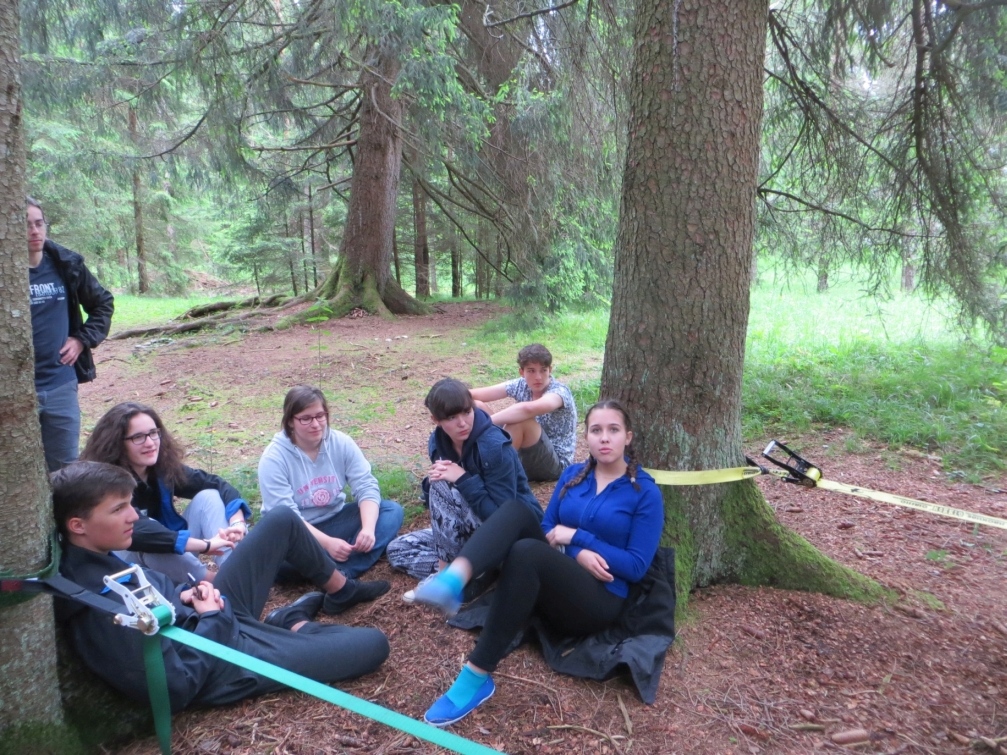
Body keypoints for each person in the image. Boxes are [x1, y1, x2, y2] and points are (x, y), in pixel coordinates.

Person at [53, 461, 391, 713]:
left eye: (130, 504)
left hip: (214, 619)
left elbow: (159, 593)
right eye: (118, 509)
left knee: (281, 520)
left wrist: (186, 595)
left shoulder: (96, 558)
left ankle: (339, 592)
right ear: (78, 525)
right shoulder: (101, 608)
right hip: (226, 660)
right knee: (371, 644)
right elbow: (175, 689)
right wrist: (213, 618)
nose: (133, 517)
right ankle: (291, 624)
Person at [411, 399, 664, 727]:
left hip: (599, 599)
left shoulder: (644, 492)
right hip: (557, 576)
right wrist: (576, 551)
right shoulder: (573, 475)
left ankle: (475, 676)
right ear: (586, 436)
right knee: (516, 511)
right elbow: (547, 529)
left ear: (627, 437)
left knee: (526, 552)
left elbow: (636, 566)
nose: (604, 437)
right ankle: (452, 581)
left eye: (613, 430)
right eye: (596, 430)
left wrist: (579, 538)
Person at [385, 378, 543, 596]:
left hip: (511, 537)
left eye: (467, 412)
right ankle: (473, 575)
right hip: (467, 530)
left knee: (442, 485)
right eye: (451, 417)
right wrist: (431, 483)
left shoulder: (494, 447)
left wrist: (463, 479)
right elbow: (442, 506)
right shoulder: (437, 443)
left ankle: (448, 578)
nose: (462, 423)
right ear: (436, 420)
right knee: (399, 549)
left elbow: (503, 518)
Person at [81, 402, 251, 584]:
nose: (150, 443)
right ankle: (217, 583)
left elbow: (216, 484)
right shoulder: (104, 480)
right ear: (116, 443)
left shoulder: (160, 468)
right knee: (153, 537)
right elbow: (140, 532)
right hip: (127, 563)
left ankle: (237, 573)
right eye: (138, 437)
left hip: (172, 554)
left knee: (208, 495)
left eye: (153, 433)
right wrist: (205, 545)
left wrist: (237, 523)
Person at [258, 385, 404, 581]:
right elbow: (287, 516)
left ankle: (343, 573)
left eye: (320, 416)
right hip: (294, 534)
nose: (315, 424)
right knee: (276, 561)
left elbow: (365, 485)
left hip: (335, 520)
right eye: (305, 418)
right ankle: (343, 563)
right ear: (290, 421)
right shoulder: (274, 458)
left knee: (391, 511)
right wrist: (327, 544)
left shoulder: (341, 443)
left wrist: (368, 529)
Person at [27, 196, 114, 472]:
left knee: (65, 473)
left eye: (39, 223)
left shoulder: (65, 264)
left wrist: (81, 339)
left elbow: (103, 303)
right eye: (25, 225)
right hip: (14, 391)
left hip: (60, 384)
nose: (34, 231)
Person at [469, 344, 576, 482]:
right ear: (522, 372)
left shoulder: (559, 392)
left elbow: (527, 409)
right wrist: (446, 395)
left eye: (543, 370)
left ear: (550, 370)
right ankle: (476, 462)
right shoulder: (521, 385)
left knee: (521, 421)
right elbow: (475, 395)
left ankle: (495, 476)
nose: (538, 377)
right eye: (531, 371)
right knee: (476, 406)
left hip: (554, 464)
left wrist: (485, 424)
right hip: (523, 455)